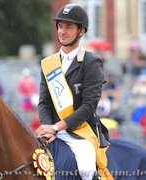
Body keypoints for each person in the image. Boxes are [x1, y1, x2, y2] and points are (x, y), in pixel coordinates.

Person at [35, 4, 113, 180]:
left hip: (81, 131)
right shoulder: (48, 63)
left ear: (81, 31)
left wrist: (57, 127)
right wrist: (47, 129)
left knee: (86, 169)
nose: (62, 31)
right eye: (60, 26)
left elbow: (89, 106)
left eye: (68, 27)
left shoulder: (91, 62)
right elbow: (44, 102)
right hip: (52, 130)